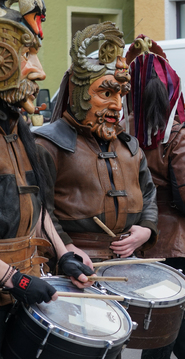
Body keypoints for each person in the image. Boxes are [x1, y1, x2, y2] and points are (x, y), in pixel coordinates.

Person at [0, 0, 94, 348]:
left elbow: (36, 207)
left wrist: (63, 251)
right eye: (25, 54)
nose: (38, 71)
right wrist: (14, 279)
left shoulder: (20, 134)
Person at [125, 35, 185, 359]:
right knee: (167, 317)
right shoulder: (175, 135)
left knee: (173, 311)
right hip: (177, 238)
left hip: (141, 235)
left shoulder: (125, 132)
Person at [35, 22, 158, 263]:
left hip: (127, 261)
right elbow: (39, 210)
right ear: (80, 93)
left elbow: (149, 193)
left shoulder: (130, 147)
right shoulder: (48, 146)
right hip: (75, 262)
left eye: (121, 95)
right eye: (107, 94)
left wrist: (147, 228)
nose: (117, 106)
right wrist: (66, 248)